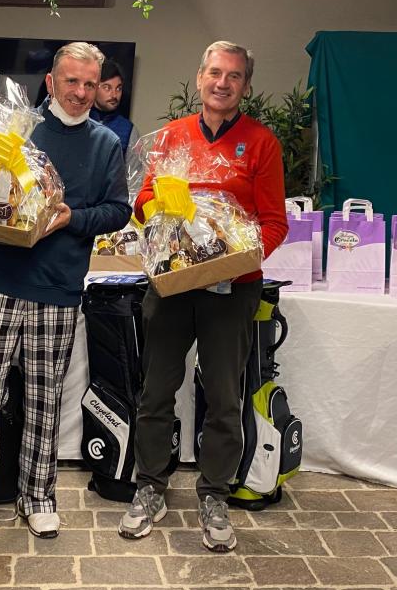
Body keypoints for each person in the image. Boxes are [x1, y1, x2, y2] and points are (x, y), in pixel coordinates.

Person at [0, 42, 132, 555]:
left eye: (90, 83)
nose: (81, 92)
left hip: (59, 289)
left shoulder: (106, 143)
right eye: (72, 81)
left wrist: (72, 218)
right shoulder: (14, 129)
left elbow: (117, 210)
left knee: (45, 399)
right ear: (50, 81)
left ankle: (38, 495)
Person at [118, 40, 288, 552]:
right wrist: (167, 215)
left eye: (234, 76)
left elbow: (274, 223)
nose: (222, 83)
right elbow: (142, 203)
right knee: (155, 391)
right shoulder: (171, 137)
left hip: (231, 291)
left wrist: (233, 256)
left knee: (223, 397)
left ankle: (214, 493)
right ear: (199, 78)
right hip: (172, 285)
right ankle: (150, 486)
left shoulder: (261, 143)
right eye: (215, 72)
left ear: (246, 87)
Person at [89, 60, 138, 155]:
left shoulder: (128, 130)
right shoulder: (79, 121)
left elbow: (135, 165)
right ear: (94, 87)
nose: (114, 95)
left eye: (118, 88)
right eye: (107, 88)